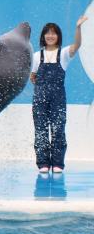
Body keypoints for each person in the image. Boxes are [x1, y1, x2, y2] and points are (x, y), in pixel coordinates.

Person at [30, 16, 87, 174]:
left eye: (53, 33)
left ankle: (57, 164)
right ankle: (43, 163)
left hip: (58, 99)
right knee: (40, 130)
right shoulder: (36, 56)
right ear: (43, 36)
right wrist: (41, 88)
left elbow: (77, 45)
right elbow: (33, 76)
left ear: (58, 36)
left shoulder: (63, 54)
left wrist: (78, 28)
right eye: (47, 33)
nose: (50, 36)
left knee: (58, 130)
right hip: (39, 99)